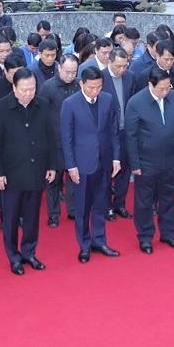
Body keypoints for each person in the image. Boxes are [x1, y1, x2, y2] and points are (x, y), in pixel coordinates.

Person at [0, 69, 57, 275]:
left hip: (36, 171)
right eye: (24, 90)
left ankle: (29, 252)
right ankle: (14, 256)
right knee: (10, 219)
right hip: (11, 175)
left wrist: (52, 165)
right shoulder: (0, 109)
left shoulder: (42, 105)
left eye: (32, 89)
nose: (29, 93)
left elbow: (50, 138)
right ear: (14, 88)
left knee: (32, 216)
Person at [61, 67, 122, 262]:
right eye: (91, 87)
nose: (95, 91)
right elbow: (66, 137)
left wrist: (116, 158)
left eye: (98, 87)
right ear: (81, 84)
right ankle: (84, 245)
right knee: (82, 208)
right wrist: (71, 166)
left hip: (104, 161)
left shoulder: (108, 100)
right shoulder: (70, 104)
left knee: (100, 204)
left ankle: (99, 241)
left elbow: (113, 132)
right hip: (82, 163)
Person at [125, 67, 174, 254]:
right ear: (150, 85)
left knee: (168, 197)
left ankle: (168, 233)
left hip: (170, 159)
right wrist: (135, 164)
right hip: (147, 161)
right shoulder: (136, 102)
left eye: (168, 87)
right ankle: (145, 237)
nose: (165, 92)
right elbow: (130, 136)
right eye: (161, 89)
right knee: (144, 201)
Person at [39, 54, 81, 226]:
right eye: (67, 72)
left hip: (75, 141)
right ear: (59, 68)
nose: (70, 76)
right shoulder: (47, 87)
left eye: (73, 72)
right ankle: (54, 213)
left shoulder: (79, 85)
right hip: (54, 141)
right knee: (53, 181)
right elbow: (41, 115)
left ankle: (73, 210)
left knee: (74, 177)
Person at [100, 48, 136, 220]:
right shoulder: (100, 78)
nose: (121, 70)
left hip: (126, 131)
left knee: (124, 170)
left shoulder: (130, 77)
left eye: (125, 65)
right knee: (107, 171)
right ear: (109, 62)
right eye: (118, 66)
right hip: (107, 133)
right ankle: (106, 206)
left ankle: (119, 204)